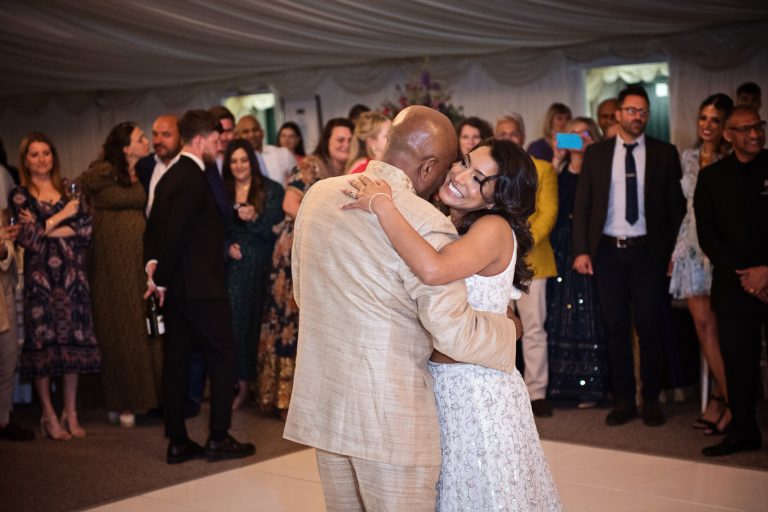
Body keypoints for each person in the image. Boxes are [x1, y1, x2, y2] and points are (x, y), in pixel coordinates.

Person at [284, 106, 518, 510]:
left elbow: (302, 294)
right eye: (449, 168)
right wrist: (506, 331)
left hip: (326, 404)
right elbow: (452, 332)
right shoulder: (427, 221)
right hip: (390, 415)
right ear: (428, 167)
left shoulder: (317, 195)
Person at [341, 138, 562, 510]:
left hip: (475, 391)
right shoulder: (451, 221)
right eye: (464, 163)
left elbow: (433, 269)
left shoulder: (493, 227)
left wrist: (382, 204)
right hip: (441, 384)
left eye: (479, 178)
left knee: (483, 494)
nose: (459, 176)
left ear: (498, 198)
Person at [143, 109, 254, 464]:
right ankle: (218, 437)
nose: (218, 148)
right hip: (202, 287)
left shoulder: (169, 176)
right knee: (224, 357)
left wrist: (156, 277)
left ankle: (177, 441)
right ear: (200, 140)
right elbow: (174, 236)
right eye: (216, 142)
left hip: (177, 289)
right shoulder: (194, 177)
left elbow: (153, 232)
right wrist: (159, 279)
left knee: (175, 361)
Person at [572, 86, 686, 427]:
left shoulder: (665, 153)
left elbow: (676, 209)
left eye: (643, 111)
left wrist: (675, 254)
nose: (637, 116)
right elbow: (583, 203)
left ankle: (651, 399)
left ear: (647, 116)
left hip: (648, 253)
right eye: (631, 110)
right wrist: (581, 250)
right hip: (607, 252)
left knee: (651, 327)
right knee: (616, 328)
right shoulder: (597, 154)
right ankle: (624, 400)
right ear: (619, 114)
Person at [256, 117, 353, 420]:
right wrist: (322, 222)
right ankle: (285, 401)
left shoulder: (350, 170)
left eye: (350, 140)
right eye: (339, 139)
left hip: (324, 251)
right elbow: (289, 203)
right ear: (327, 140)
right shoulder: (311, 165)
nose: (345, 145)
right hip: (297, 250)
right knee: (291, 321)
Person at [10, 132, 100, 441]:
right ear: (25, 160)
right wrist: (62, 217)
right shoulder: (20, 195)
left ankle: (70, 411)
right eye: (34, 154)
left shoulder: (68, 189)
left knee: (72, 345)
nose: (41, 159)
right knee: (44, 346)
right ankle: (48, 415)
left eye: (46, 153)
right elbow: (28, 239)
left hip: (73, 278)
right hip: (41, 281)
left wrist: (45, 225)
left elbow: (85, 231)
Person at [696, 105, 767, 457]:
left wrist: (766, 269)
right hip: (735, 283)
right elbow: (708, 235)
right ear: (729, 135)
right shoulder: (712, 178)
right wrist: (747, 275)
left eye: (758, 127)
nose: (754, 134)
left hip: (765, 275)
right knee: (739, 360)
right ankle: (743, 430)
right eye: (745, 129)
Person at [79, 121, 161, 428]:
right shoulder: (102, 170)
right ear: (125, 147)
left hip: (136, 258)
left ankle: (144, 398)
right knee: (115, 327)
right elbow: (77, 188)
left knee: (140, 325)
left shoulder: (143, 170)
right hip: (109, 260)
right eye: (141, 139)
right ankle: (119, 399)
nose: (146, 143)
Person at [669, 93, 734, 435]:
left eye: (715, 120)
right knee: (703, 326)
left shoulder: (733, 157)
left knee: (727, 329)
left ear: (726, 126)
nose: (707, 125)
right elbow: (686, 207)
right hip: (690, 246)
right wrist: (675, 252)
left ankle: (726, 400)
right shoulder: (688, 156)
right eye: (703, 118)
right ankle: (727, 399)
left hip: (721, 247)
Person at [495, 111, 559, 417]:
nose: (508, 138)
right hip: (494, 263)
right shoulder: (490, 171)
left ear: (522, 136)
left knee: (533, 329)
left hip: (535, 262)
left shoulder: (543, 169)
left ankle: (537, 393)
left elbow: (547, 214)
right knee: (500, 328)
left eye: (513, 133)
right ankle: (505, 390)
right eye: (502, 134)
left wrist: (516, 240)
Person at [546, 117, 609, 407]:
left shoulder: (599, 170)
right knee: (561, 316)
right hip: (560, 248)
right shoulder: (557, 171)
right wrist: (558, 155)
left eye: (584, 135)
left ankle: (593, 385)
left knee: (589, 316)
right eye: (571, 135)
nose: (578, 140)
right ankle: (562, 385)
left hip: (587, 248)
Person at [222, 139, 285, 410]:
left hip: (263, 265)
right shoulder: (221, 191)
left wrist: (254, 218)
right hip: (233, 269)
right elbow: (212, 227)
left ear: (253, 162)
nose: (239, 166)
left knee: (260, 325)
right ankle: (239, 382)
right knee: (235, 325)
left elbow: (275, 229)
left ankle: (261, 386)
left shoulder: (270, 189)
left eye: (243, 160)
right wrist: (225, 248)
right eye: (234, 161)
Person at [0, 221, 34, 441]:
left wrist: (4, 249)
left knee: (9, 359)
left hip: (4, 289)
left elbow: (7, 245)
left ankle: (3, 420)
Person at [136, 114, 182, 217]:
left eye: (166, 135)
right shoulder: (143, 166)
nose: (157, 141)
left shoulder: (191, 167)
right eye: (155, 134)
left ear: (181, 137)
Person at [235, 115, 296, 187]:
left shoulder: (283, 154)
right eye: (246, 132)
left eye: (255, 130)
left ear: (263, 132)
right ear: (237, 136)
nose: (251, 135)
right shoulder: (235, 162)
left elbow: (298, 181)